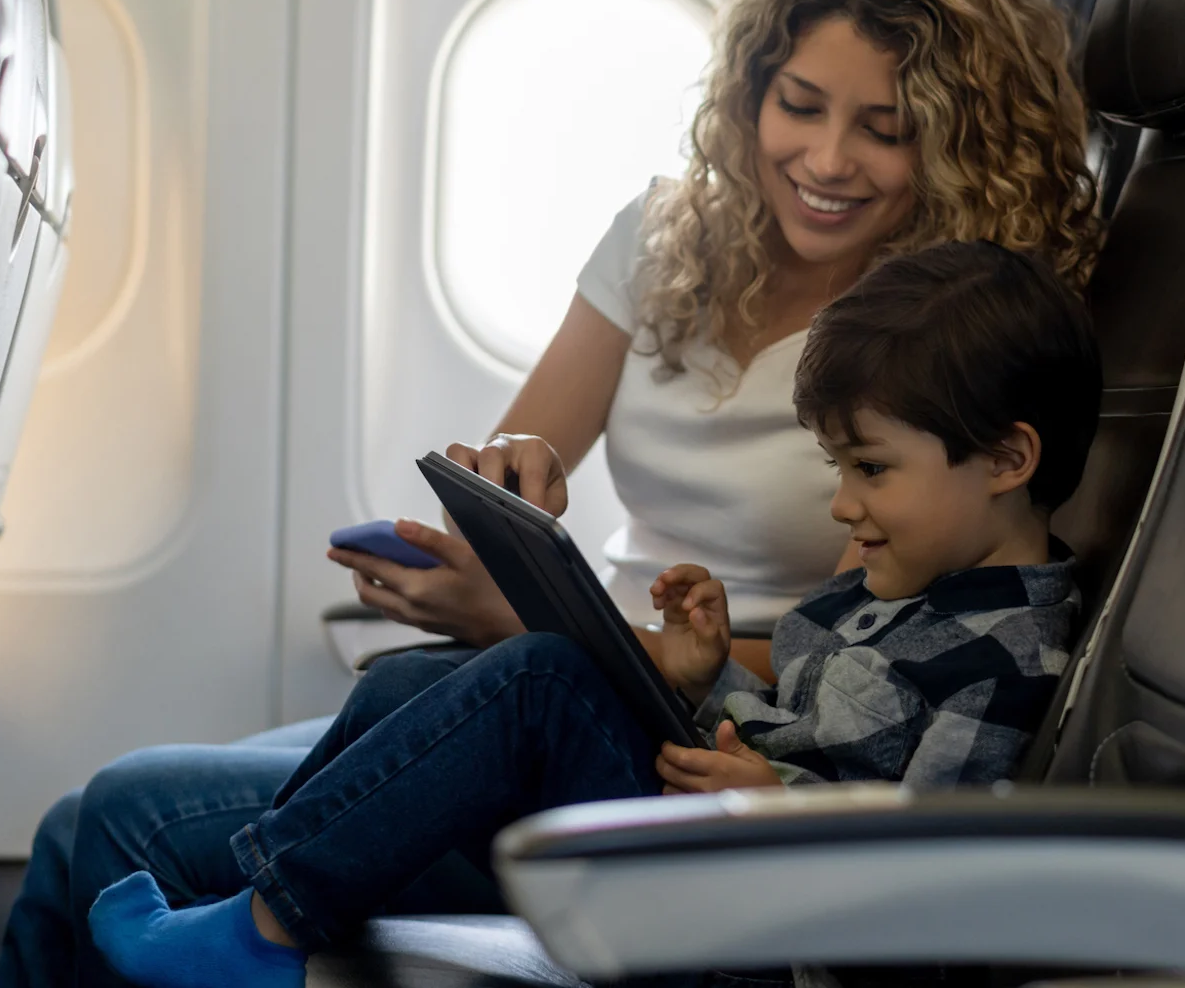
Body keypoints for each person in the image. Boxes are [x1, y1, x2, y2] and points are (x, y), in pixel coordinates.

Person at [0, 0, 1102, 988]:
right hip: (600, 662)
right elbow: (533, 437)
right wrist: (512, 496)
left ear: (954, 138)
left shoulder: (933, 355)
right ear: (750, 90)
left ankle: (264, 927)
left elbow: (870, 670)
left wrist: (558, 631)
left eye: (883, 129)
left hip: (669, 716)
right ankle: (272, 909)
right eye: (798, 105)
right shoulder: (669, 236)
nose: (824, 157)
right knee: (79, 820)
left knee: (122, 822)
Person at [84, 239, 1100, 988]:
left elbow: (926, 891)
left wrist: (777, 811)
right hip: (721, 871)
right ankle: (268, 911)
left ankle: (261, 930)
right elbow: (804, 731)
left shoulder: (1005, 659)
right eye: (838, 469)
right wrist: (710, 681)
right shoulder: (900, 582)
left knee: (544, 679)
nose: (842, 507)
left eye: (869, 470)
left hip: (769, 950)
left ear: (1009, 461)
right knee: (408, 679)